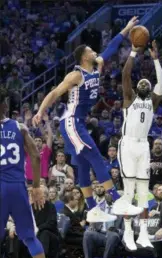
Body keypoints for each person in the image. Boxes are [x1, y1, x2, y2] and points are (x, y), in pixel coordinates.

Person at [32, 17, 140, 218]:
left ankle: (92, 210)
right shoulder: (76, 75)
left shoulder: (97, 65)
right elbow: (55, 93)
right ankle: (118, 202)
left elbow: (112, 47)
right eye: (90, 51)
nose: (95, 52)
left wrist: (126, 28)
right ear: (83, 57)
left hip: (77, 122)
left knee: (82, 164)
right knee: (95, 157)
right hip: (71, 122)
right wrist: (40, 111)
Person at [113, 41, 162, 251]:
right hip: (127, 145)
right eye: (141, 83)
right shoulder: (129, 97)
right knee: (129, 191)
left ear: (150, 88)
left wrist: (155, 59)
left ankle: (143, 234)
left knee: (143, 192)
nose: (144, 84)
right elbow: (126, 74)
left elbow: (161, 81)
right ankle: (127, 233)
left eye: (146, 83)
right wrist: (133, 52)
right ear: (136, 88)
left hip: (144, 146)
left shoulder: (153, 102)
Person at [0, 92, 51, 258]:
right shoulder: (19, 127)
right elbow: (36, 156)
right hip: (17, 187)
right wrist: (36, 186)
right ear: (5, 106)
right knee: (29, 236)